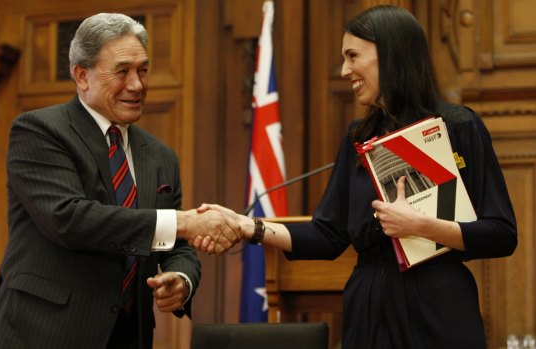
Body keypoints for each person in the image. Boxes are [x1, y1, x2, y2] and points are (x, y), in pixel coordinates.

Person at [199, 5, 517, 349]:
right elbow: (327, 234)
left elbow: (501, 233)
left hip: (438, 311)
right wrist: (251, 227)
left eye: (353, 56)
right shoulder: (357, 138)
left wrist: (422, 226)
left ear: (392, 55)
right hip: (368, 312)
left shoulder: (458, 127)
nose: (344, 70)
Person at [0, 13, 240, 349]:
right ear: (82, 76)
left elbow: (176, 242)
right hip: (40, 334)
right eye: (122, 71)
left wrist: (182, 279)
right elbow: (68, 218)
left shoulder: (160, 156)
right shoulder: (40, 131)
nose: (137, 84)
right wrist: (186, 221)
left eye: (143, 70)